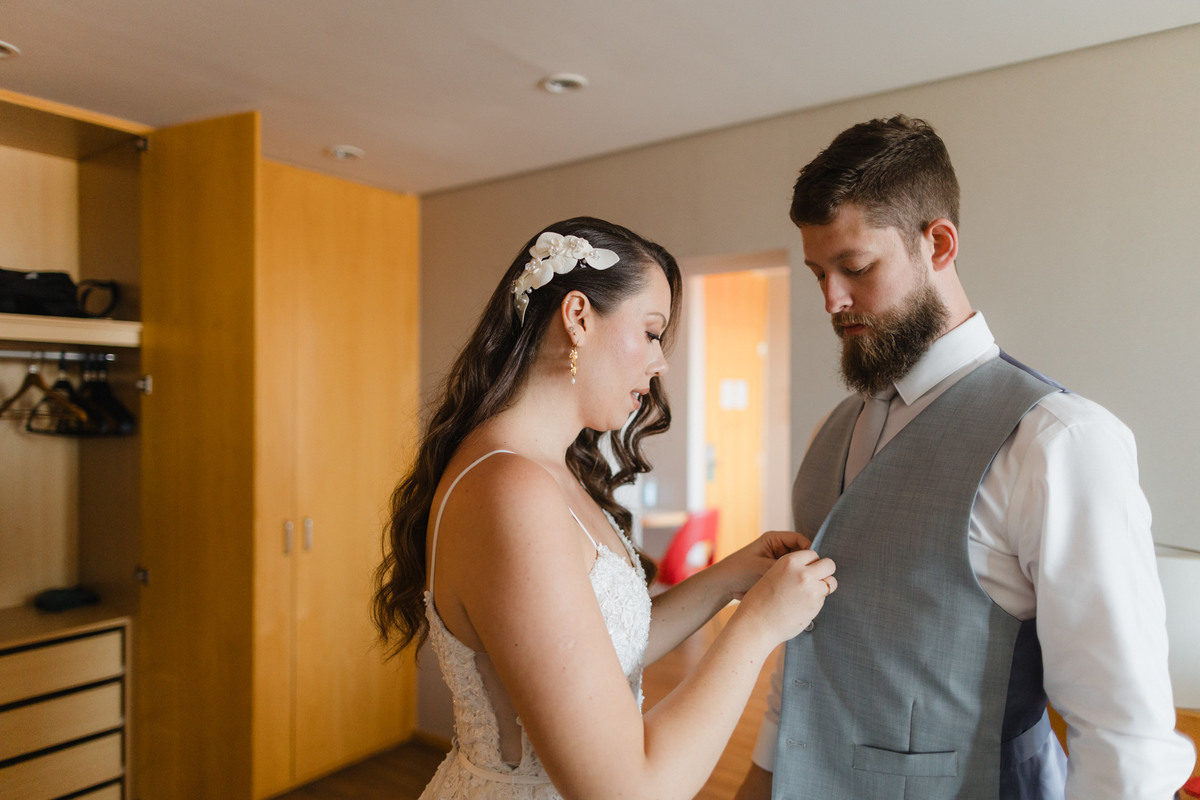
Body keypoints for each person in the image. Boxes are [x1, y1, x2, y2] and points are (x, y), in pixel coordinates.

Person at [735, 116, 1196, 799]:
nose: (832, 300)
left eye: (856, 268)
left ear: (939, 244)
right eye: (818, 273)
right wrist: (765, 771)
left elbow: (1122, 734)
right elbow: (815, 648)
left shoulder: (1057, 442)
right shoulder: (830, 432)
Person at [373, 216, 837, 800]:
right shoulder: (510, 490)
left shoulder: (542, 470)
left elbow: (598, 649)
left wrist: (733, 577)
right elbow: (626, 791)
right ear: (578, 317)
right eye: (649, 332)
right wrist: (759, 626)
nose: (660, 362)